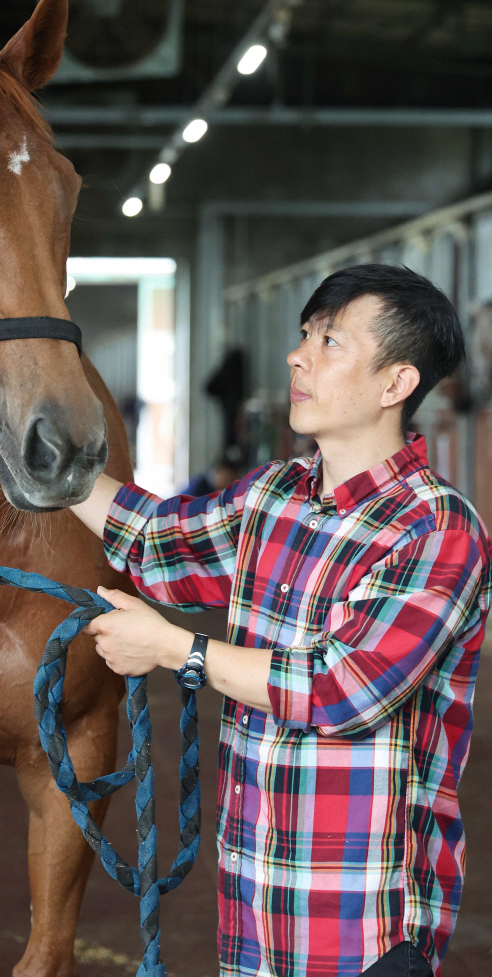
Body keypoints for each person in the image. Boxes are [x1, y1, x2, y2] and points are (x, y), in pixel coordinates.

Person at [70, 264, 490, 977]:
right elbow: (155, 539)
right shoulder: (277, 495)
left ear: (396, 385)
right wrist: (49, 468)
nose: (298, 356)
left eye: (330, 341)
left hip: (363, 926)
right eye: (304, 336)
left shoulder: (436, 529)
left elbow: (339, 689)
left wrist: (172, 646)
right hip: (259, 913)